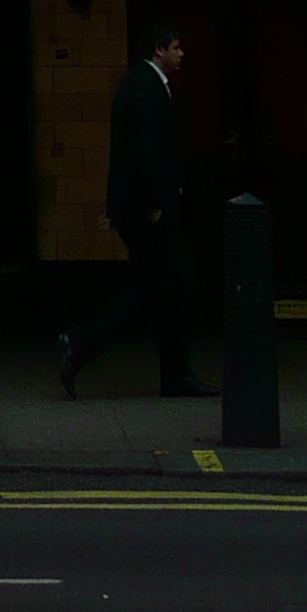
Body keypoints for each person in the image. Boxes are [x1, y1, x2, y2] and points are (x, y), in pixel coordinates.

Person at [58, 23, 204, 397]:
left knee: (167, 285)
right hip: (149, 210)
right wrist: (156, 205)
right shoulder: (144, 88)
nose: (182, 54)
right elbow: (144, 152)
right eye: (177, 47)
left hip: (145, 207)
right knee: (157, 283)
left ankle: (176, 375)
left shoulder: (143, 85)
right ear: (159, 50)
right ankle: (81, 344)